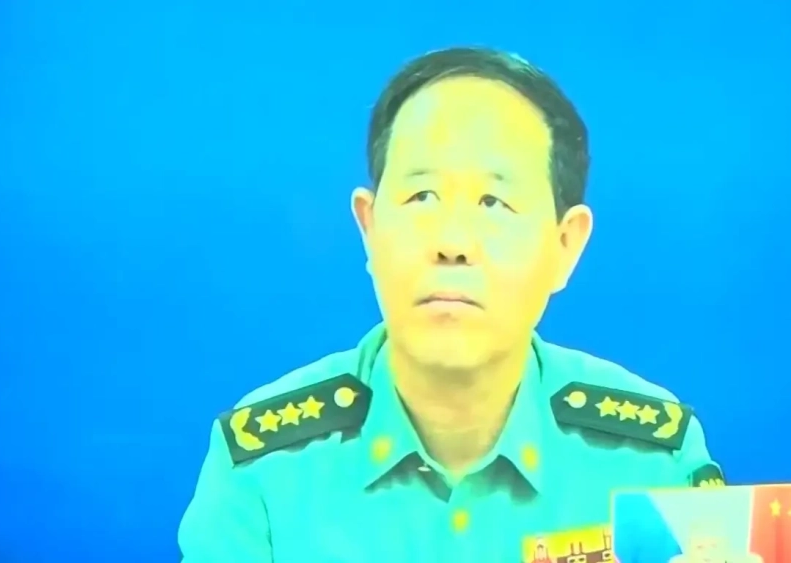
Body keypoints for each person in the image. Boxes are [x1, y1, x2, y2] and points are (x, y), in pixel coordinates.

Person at [178, 47, 724, 562]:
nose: (452, 242)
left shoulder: (654, 461)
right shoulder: (264, 470)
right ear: (369, 229)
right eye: (422, 196)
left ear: (565, 246)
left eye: (494, 201)